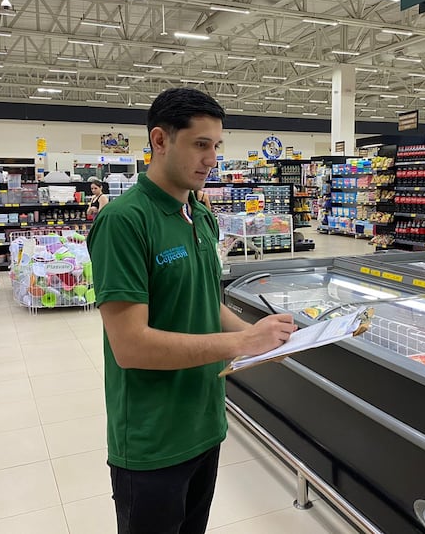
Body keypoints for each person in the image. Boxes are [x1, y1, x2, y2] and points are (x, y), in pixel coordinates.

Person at [87, 87, 296, 534]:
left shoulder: (200, 215)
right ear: (160, 140)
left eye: (216, 146)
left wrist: (258, 338)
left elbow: (205, 300)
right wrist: (241, 342)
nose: (212, 158)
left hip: (205, 424)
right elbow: (130, 346)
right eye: (201, 144)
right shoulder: (124, 221)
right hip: (152, 440)